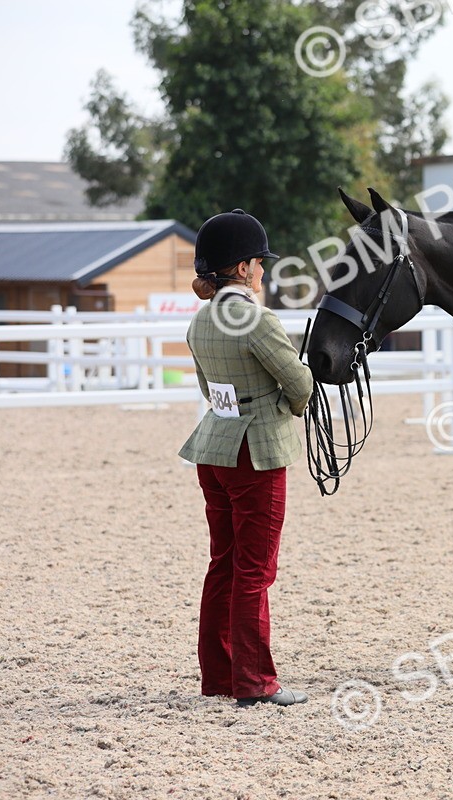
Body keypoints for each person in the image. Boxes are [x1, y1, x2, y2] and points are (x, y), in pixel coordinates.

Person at [179, 209, 314, 707]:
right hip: (254, 455)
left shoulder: (200, 321)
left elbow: (209, 390)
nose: (262, 271)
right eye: (259, 262)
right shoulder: (256, 318)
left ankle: (218, 674)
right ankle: (255, 682)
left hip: (212, 449)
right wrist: (286, 405)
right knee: (256, 570)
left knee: (225, 564)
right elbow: (299, 385)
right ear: (242, 268)